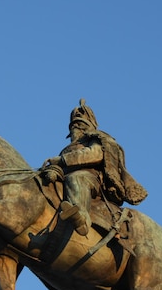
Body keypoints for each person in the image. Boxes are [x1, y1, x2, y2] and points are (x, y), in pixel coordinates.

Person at [45, 98, 147, 236]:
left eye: (79, 124)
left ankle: (82, 219)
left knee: (76, 179)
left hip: (92, 179)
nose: (76, 127)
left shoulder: (96, 137)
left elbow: (95, 154)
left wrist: (62, 160)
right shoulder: (67, 148)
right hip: (66, 177)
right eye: (73, 126)